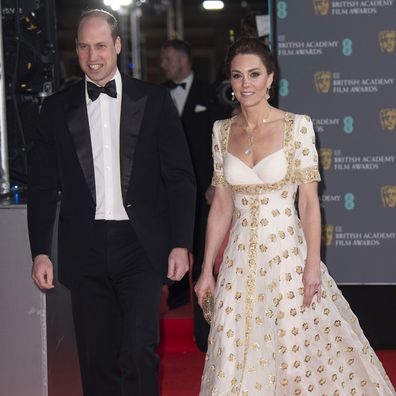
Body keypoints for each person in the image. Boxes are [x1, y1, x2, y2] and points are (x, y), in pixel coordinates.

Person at [195, 37, 396, 395]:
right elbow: (222, 206)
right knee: (232, 350)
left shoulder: (297, 126)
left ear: (270, 78)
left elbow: (308, 204)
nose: (246, 84)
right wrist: (207, 267)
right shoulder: (221, 132)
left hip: (288, 257)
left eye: (254, 74)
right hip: (239, 263)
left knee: (294, 355)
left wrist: (313, 264)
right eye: (238, 76)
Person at [28, 9, 196, 396]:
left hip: (140, 247)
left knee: (139, 350)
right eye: (84, 47)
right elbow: (41, 186)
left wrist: (180, 242)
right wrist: (40, 251)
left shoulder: (154, 101)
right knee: (96, 359)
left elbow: (180, 178)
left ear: (117, 45)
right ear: (76, 50)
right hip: (84, 249)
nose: (93, 56)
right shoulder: (56, 109)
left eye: (101, 45)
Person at [160, 39, 229, 349]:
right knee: (171, 248)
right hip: (168, 193)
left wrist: (217, 183)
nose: (163, 64)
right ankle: (174, 299)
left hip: (205, 192)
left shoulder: (208, 94)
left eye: (168, 59)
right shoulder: (157, 95)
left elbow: (220, 144)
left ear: (185, 61)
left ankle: (207, 330)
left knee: (206, 255)